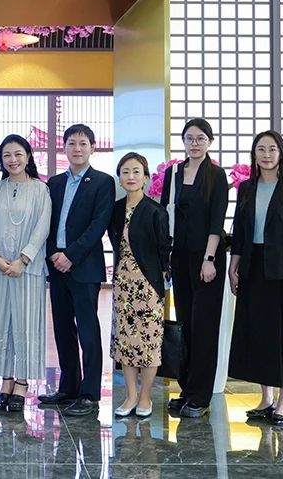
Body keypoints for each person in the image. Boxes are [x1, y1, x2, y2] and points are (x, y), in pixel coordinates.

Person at [228, 130, 283, 428]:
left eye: (272, 149)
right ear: (254, 154)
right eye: (261, 149)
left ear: (281, 154)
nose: (266, 154)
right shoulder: (246, 188)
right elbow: (240, 230)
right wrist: (233, 266)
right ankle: (266, 397)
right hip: (252, 268)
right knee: (259, 333)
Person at [39, 124, 115, 417]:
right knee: (62, 328)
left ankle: (89, 393)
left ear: (93, 147)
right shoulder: (54, 183)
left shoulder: (103, 182)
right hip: (56, 264)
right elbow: (45, 223)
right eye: (72, 143)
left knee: (87, 330)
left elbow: (98, 225)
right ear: (65, 147)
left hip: (84, 267)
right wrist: (53, 254)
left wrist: (71, 255)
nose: (77, 148)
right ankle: (68, 387)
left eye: (83, 143)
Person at [160, 117, 230, 418]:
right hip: (179, 257)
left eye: (201, 138)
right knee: (186, 323)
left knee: (205, 327)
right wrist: (165, 256)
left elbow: (217, 220)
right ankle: (187, 390)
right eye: (189, 138)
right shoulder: (173, 173)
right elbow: (165, 214)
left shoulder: (216, 175)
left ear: (209, 142)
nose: (195, 143)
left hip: (207, 259)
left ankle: (202, 396)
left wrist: (209, 258)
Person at [0, 134, 51, 412]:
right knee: (0, 323)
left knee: (25, 323)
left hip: (28, 270)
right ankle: (6, 381)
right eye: (7, 155)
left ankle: (22, 383)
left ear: (28, 156)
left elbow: (42, 227)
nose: (13, 160)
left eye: (18, 154)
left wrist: (23, 260)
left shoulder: (40, 190)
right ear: (1, 159)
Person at [108, 153, 171, 419]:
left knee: (148, 343)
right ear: (120, 178)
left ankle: (145, 396)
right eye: (125, 172)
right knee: (126, 342)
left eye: (136, 171)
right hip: (123, 284)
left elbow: (164, 250)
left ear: (145, 178)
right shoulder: (114, 209)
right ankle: (130, 395)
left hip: (148, 286)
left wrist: (163, 284)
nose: (131, 176)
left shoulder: (156, 211)